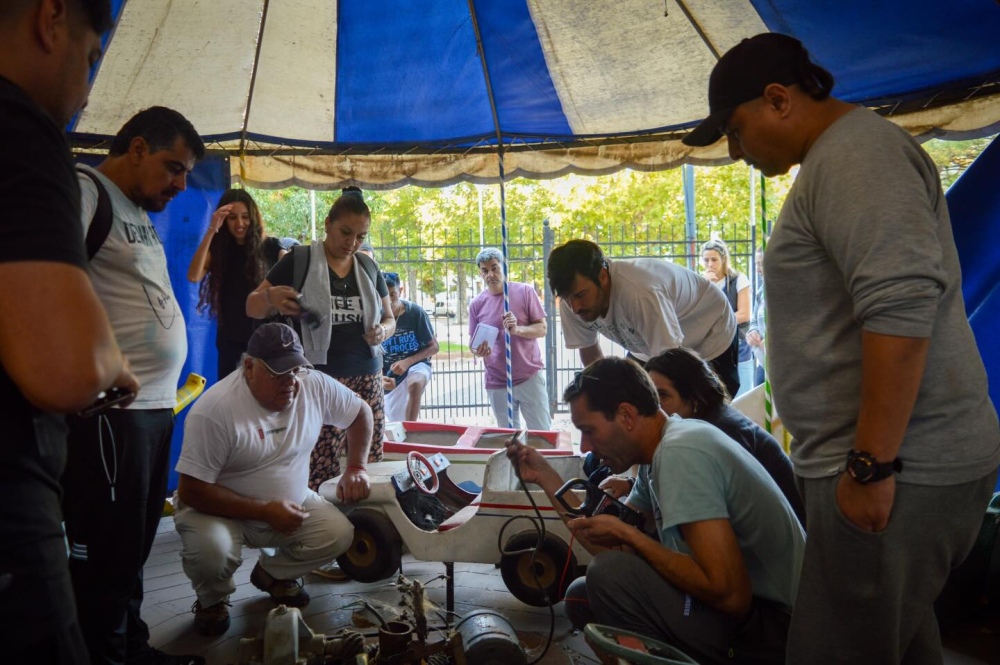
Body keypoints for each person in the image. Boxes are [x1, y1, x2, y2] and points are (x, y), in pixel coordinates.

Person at [684, 32, 1000, 663]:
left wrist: (870, 465)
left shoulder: (856, 157)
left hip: (901, 469)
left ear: (778, 99)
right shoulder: (840, 159)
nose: (737, 152)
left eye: (737, 131)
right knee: (900, 641)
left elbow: (900, 308)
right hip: (894, 467)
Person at [506, 358, 804, 664]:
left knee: (608, 576)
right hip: (744, 614)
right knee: (583, 596)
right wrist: (546, 478)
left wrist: (632, 537)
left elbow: (731, 596)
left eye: (590, 431)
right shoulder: (658, 454)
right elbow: (613, 546)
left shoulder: (681, 452)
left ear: (626, 415)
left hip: (774, 628)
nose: (585, 446)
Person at [0, 2, 138, 662]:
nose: (87, 88)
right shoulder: (20, 126)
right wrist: (112, 359)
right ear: (50, 18)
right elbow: (67, 364)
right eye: (90, 57)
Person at [62, 106, 206, 665]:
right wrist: (96, 363)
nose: (180, 184)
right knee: (107, 555)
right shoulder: (86, 191)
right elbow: (53, 281)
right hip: (110, 415)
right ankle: (106, 655)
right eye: (174, 168)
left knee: (136, 546)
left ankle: (133, 647)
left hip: (152, 408)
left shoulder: (136, 210)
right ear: (139, 148)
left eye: (188, 173)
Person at [174, 323, 372, 636]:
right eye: (279, 373)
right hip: (217, 510)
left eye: (296, 370)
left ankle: (274, 576)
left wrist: (356, 468)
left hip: (291, 500)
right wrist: (264, 511)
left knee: (338, 534)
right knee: (211, 552)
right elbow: (192, 491)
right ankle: (212, 601)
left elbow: (360, 412)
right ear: (249, 367)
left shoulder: (313, 385)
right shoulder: (215, 410)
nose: (291, 382)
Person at [247, 186, 394, 491]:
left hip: (368, 375)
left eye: (361, 236)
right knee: (317, 463)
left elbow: (390, 318)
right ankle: (319, 526)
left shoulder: (368, 266)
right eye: (345, 232)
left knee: (366, 462)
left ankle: (360, 527)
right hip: (319, 378)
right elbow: (252, 305)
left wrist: (383, 330)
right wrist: (272, 297)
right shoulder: (299, 260)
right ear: (327, 224)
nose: (351, 242)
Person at [548, 239, 740, 397]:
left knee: (705, 413)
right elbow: (591, 356)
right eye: (566, 298)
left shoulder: (639, 292)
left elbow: (669, 360)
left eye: (581, 295)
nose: (575, 308)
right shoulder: (571, 303)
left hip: (710, 331)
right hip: (653, 347)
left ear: (603, 276)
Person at [643, 347, 804, 526]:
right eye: (650, 396)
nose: (653, 407)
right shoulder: (707, 423)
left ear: (694, 398)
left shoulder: (721, 431)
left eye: (663, 396)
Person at [187, 189, 291, 379]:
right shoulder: (219, 250)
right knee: (231, 397)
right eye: (232, 218)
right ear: (224, 220)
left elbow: (293, 269)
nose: (240, 223)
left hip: (266, 338)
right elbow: (193, 276)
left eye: (245, 217)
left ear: (253, 217)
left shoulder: (271, 247)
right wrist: (211, 229)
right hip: (230, 340)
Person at [468, 247, 551, 430]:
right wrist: (479, 351)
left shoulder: (525, 292)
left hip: (529, 375)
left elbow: (542, 328)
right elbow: (473, 345)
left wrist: (517, 330)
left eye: (495, 268)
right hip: (497, 380)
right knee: (509, 439)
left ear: (504, 267)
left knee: (542, 434)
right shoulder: (476, 304)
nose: (490, 274)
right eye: (485, 270)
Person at [381, 271, 438, 422]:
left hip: (416, 365)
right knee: (396, 420)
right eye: (383, 296)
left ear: (400, 291)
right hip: (389, 374)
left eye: (392, 295)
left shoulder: (415, 313)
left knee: (416, 383)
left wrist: (408, 362)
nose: (389, 300)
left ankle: (412, 429)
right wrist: (380, 377)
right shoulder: (374, 316)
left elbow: (434, 347)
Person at [701, 239, 753, 396]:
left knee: (742, 398)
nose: (710, 264)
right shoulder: (701, 283)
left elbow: (744, 314)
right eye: (706, 260)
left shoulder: (738, 279)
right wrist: (706, 286)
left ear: (723, 259)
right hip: (710, 350)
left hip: (738, 349)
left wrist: (717, 323)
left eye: (714, 259)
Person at [746, 247, 766, 387]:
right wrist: (751, 332)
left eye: (761, 264)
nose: (758, 270)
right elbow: (753, 321)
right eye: (756, 264)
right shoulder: (761, 291)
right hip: (763, 363)